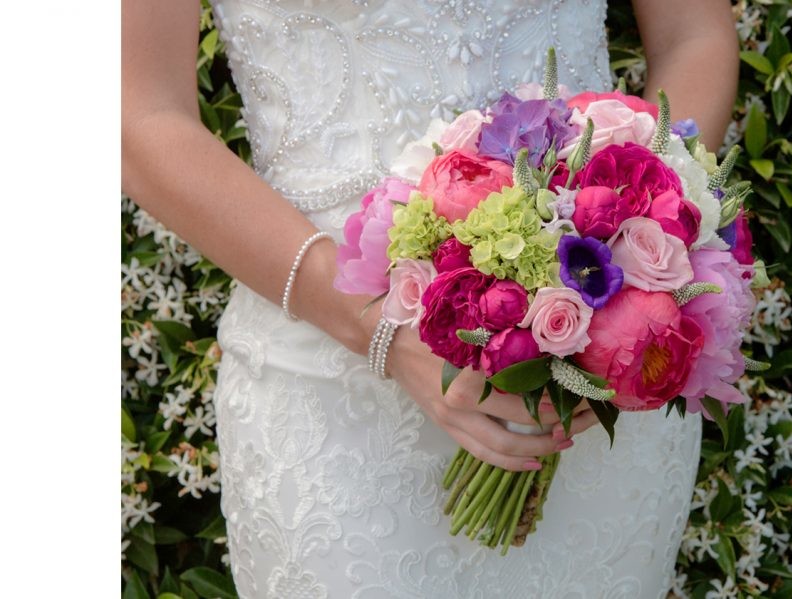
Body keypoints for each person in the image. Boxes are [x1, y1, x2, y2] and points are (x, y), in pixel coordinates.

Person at [122, 0, 738, 596]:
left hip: (596, 370)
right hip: (328, 391)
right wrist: (377, 331)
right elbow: (142, 117)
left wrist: (641, 222)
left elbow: (693, 32)